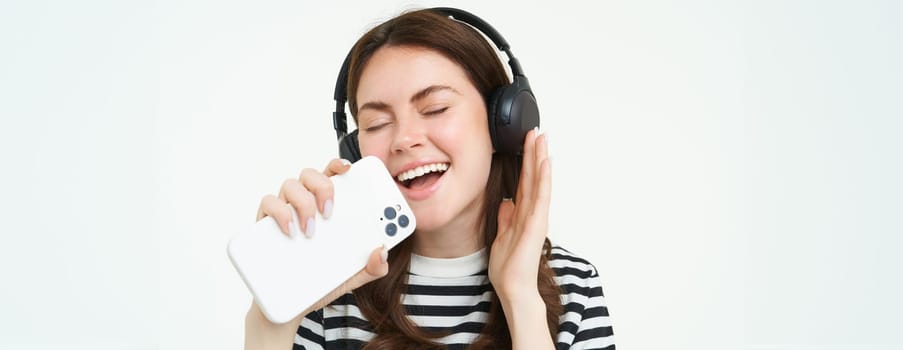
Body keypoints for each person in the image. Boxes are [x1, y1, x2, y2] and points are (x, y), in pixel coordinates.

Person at [243, 8, 615, 350]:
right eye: (376, 124)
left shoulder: (573, 286)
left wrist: (521, 300)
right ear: (354, 151)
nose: (405, 139)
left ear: (501, 121)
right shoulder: (325, 284)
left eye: (435, 108)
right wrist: (272, 317)